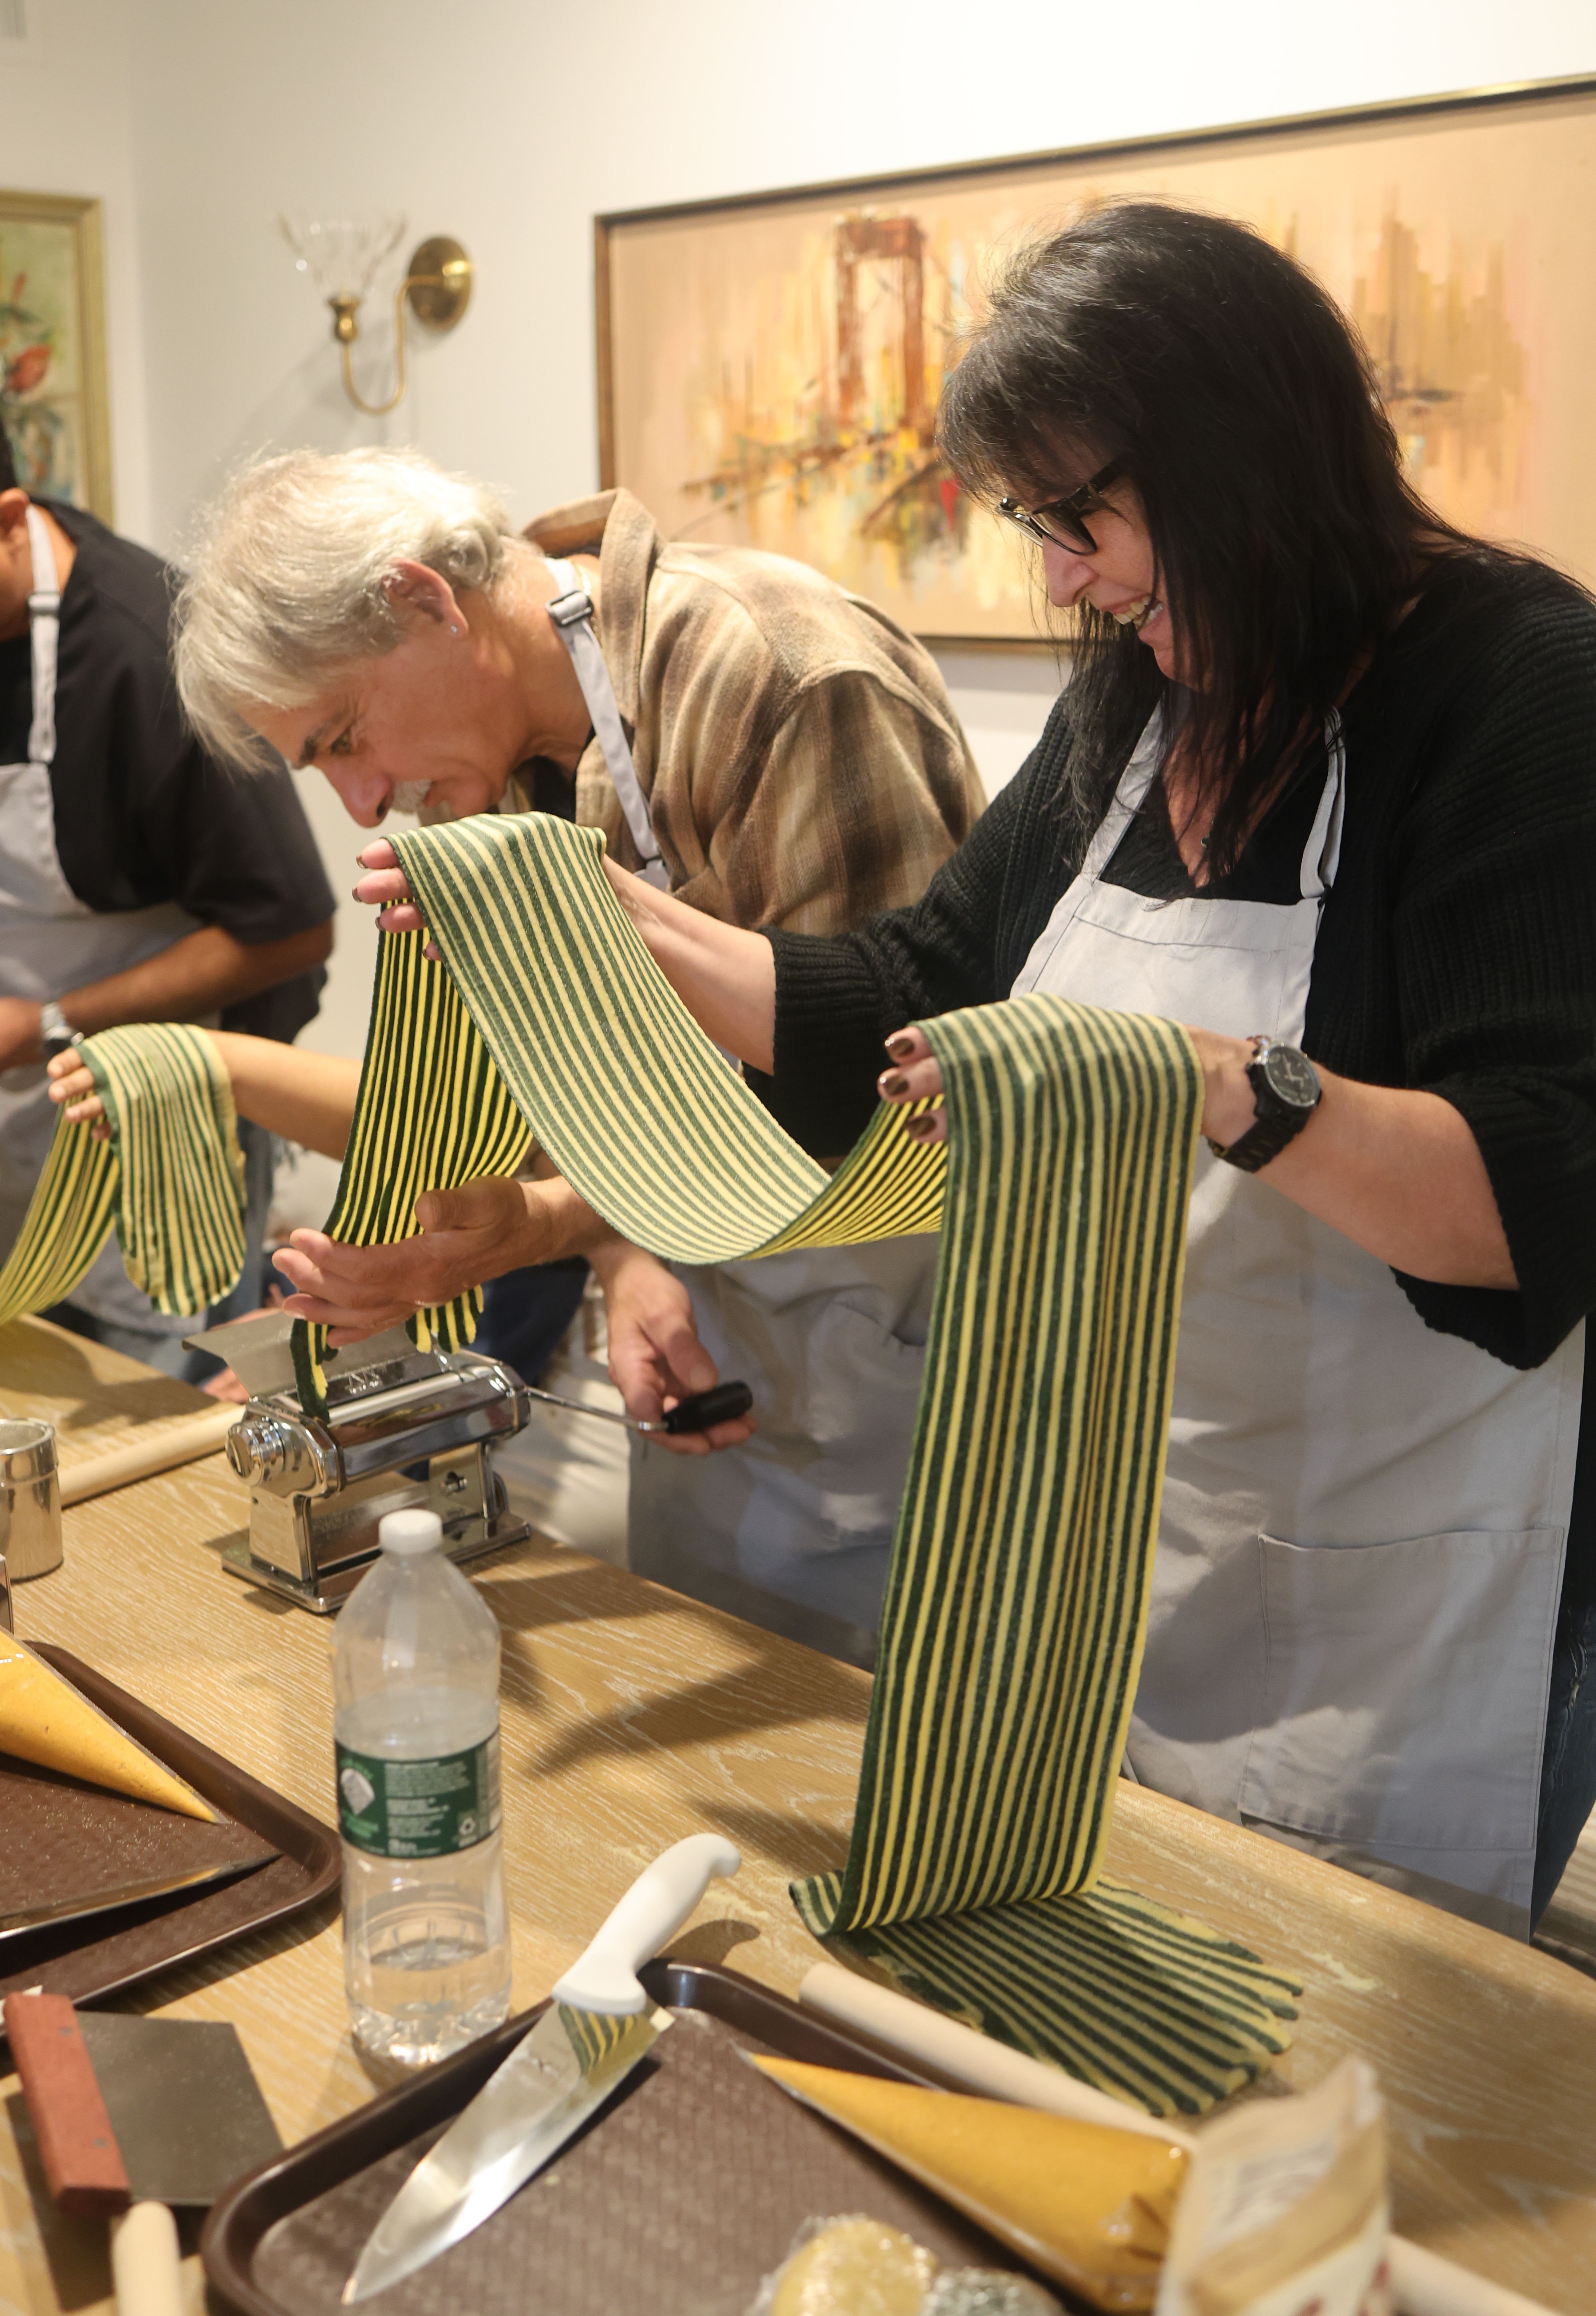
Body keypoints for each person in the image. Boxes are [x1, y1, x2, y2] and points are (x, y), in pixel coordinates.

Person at [386, 203, 1591, 1941]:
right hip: (1145, 1503)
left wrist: (1215, 1085)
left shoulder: (1520, 693)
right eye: (1033, 527)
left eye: (1079, 517)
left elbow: (1532, 1195)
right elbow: (918, 986)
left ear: (1241, 457)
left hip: (1402, 1548)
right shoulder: (1150, 702)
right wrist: (606, 926)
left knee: (1371, 2058)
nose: (1060, 583)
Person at [162, 449, 984, 1658]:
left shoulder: (779, 678)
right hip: (728, 1323)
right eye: (321, 767)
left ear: (423, 600)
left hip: (909, 1330)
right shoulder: (489, 787)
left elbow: (882, 1103)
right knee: (701, 1709)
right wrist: (560, 1235)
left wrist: (560, 1220)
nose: (362, 800)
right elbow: (567, 1102)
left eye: (345, 737)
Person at [0, 429, 334, 1371]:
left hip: (157, 1124)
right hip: (15, 1118)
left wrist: (49, 1023)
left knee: (155, 1411)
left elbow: (292, 926)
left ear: (10, 524)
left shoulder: (148, 652)